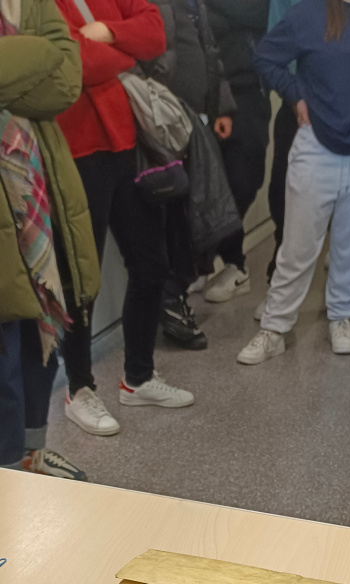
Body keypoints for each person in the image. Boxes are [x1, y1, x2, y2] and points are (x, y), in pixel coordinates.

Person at [55, 0, 194, 436]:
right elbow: (73, 63)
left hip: (127, 143)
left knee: (151, 264)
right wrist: (126, 52)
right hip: (76, 150)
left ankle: (138, 377)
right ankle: (79, 388)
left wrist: (108, 33)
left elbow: (155, 31)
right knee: (81, 280)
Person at [237, 0, 350, 365]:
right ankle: (275, 328)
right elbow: (264, 57)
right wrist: (295, 95)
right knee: (297, 248)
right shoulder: (308, 14)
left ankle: (340, 315)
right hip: (315, 145)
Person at [0, 0, 100, 480]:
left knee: (36, 331)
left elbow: (65, 79)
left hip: (34, 188)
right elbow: (50, 57)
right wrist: (37, 53)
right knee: (3, 354)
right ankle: (8, 478)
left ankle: (31, 457)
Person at [149, 0, 238, 348]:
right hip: (165, 125)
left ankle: (176, 292)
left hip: (197, 122)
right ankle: (170, 298)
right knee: (175, 218)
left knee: (201, 214)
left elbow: (210, 52)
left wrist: (222, 107)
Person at [203, 0, 271, 304]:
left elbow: (261, 12)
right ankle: (216, 261)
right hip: (206, 86)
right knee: (205, 182)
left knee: (245, 179)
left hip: (249, 88)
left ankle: (229, 261)